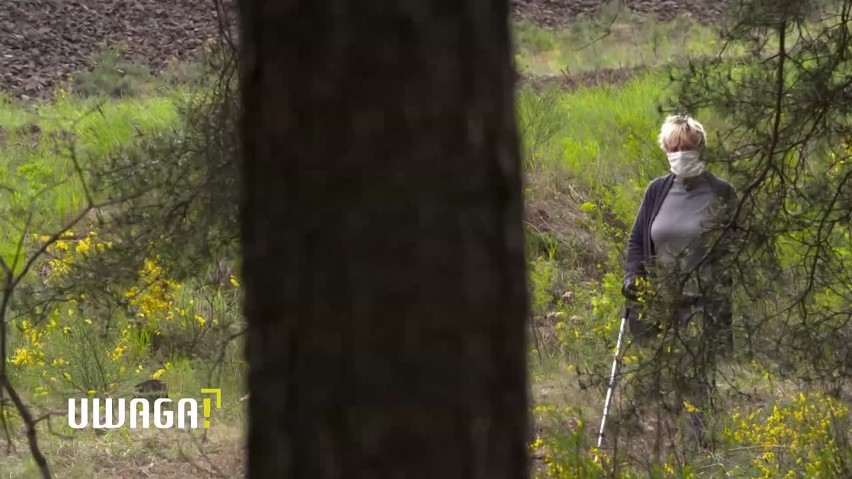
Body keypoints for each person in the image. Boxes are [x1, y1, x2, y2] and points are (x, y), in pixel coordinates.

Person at [620, 114, 739, 448]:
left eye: (686, 147)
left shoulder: (721, 193)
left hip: (702, 302)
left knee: (694, 375)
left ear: (699, 148)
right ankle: (663, 446)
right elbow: (637, 242)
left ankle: (697, 447)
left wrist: (718, 290)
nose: (680, 153)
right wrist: (632, 276)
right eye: (673, 148)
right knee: (663, 374)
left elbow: (733, 248)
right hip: (661, 301)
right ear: (665, 150)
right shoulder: (657, 191)